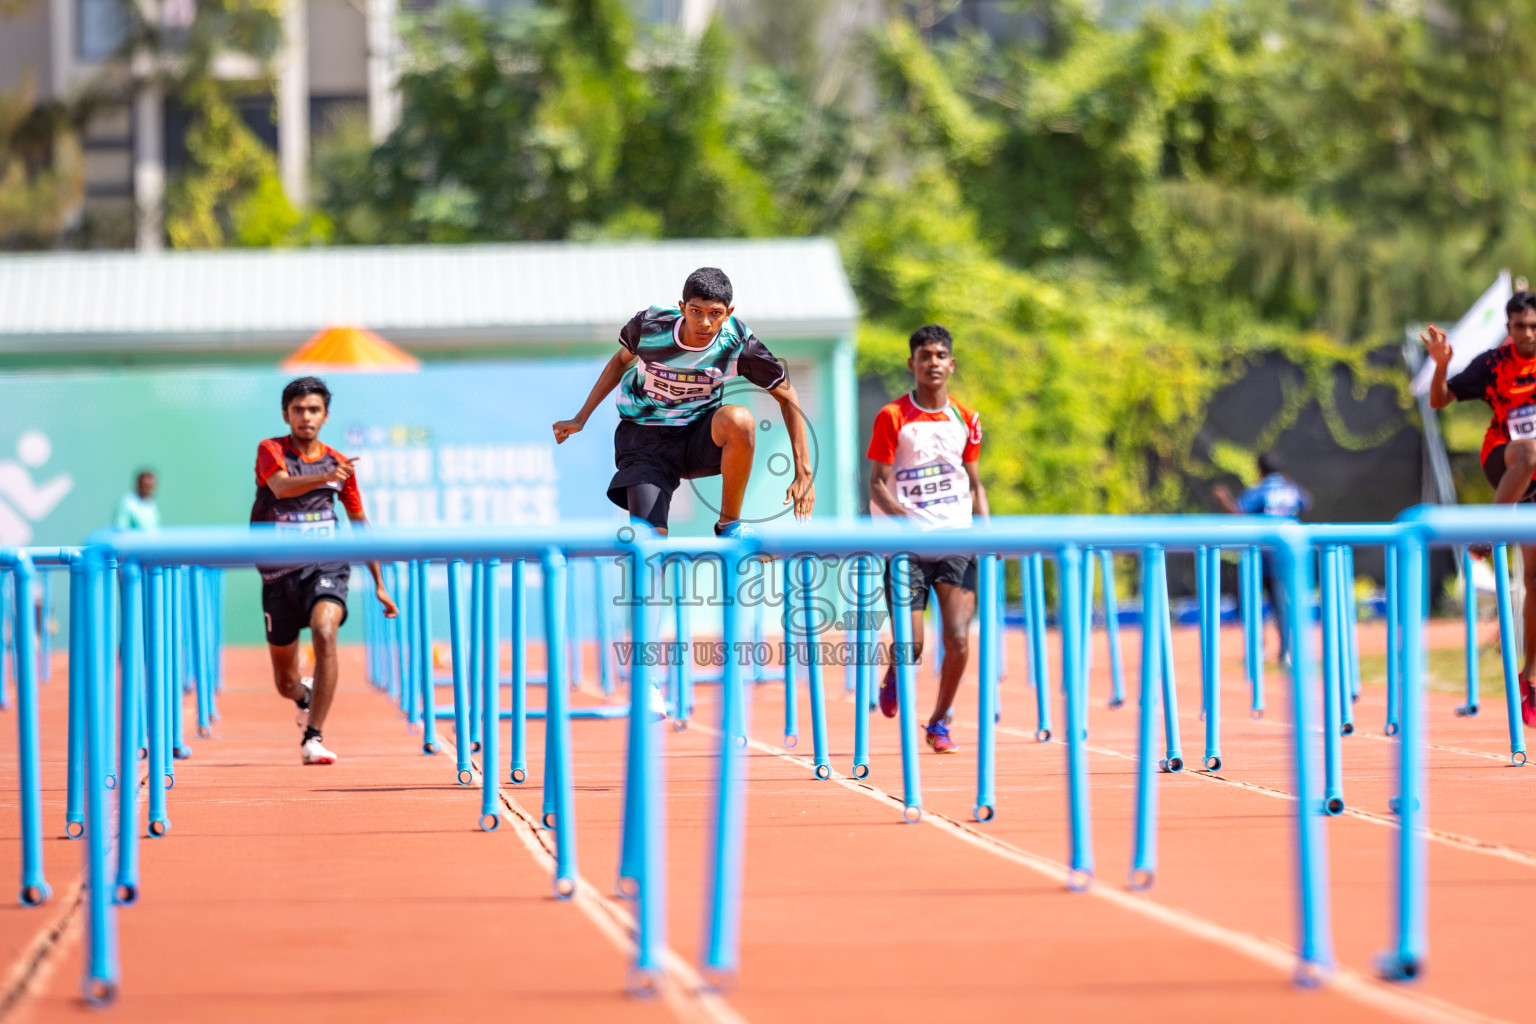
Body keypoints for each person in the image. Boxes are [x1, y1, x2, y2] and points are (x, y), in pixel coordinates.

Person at [551, 267, 814, 536]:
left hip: (697, 436)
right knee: (650, 546)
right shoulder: (651, 326)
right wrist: (581, 417)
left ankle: (729, 526)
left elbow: (787, 395)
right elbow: (620, 362)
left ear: (728, 313)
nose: (705, 323)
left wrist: (803, 471)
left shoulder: (738, 344)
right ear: (682, 308)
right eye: (696, 311)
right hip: (646, 439)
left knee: (740, 419)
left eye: (715, 314)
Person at [252, 377, 397, 765]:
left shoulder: (340, 466)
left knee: (325, 629)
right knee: (285, 684)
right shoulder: (271, 450)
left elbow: (360, 524)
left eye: (313, 410)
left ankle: (313, 738)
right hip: (278, 575)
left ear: (325, 416)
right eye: (297, 410)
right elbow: (281, 488)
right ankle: (304, 696)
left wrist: (380, 583)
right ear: (286, 415)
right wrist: (330, 475)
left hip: (325, 567)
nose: (305, 417)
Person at [867, 324, 988, 754]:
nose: (933, 362)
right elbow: (877, 485)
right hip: (907, 547)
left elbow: (974, 484)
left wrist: (985, 532)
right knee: (912, 646)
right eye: (925, 356)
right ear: (912, 364)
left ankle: (938, 723)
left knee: (957, 638)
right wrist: (906, 520)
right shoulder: (893, 417)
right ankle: (896, 673)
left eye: (940, 355)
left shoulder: (966, 418)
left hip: (956, 538)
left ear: (951, 364)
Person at [1424, 288, 1536, 726]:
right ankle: (1491, 531)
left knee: (1533, 578)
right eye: (1519, 327)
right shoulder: (1493, 364)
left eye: (1533, 327)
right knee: (1528, 452)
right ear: (1508, 328)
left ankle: (1530, 678)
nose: (1526, 334)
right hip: (1505, 461)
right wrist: (1441, 366)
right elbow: (1439, 400)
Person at [1214, 452, 1311, 665]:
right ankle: (1286, 650)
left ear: (1260, 470)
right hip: (1285, 554)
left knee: (1248, 602)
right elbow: (1306, 502)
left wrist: (1223, 500)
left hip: (1259, 556)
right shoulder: (1291, 489)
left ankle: (1258, 648)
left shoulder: (1261, 490)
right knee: (1281, 603)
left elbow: (1238, 513)